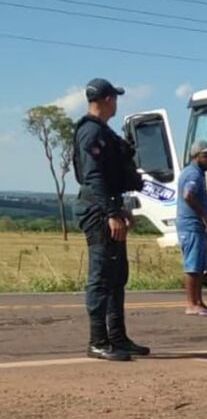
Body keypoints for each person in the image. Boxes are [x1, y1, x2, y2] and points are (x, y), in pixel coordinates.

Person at [73, 78, 148, 361]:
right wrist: (111, 213)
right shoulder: (90, 132)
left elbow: (110, 176)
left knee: (117, 275)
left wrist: (120, 207)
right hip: (97, 211)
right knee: (102, 276)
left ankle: (117, 337)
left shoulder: (102, 131)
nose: (116, 103)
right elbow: (93, 177)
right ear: (107, 100)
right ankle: (97, 341)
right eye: (115, 98)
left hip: (109, 205)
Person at [177, 140, 207, 316]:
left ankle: (198, 302)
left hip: (196, 226)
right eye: (206, 155)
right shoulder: (193, 174)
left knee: (199, 266)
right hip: (191, 225)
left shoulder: (197, 173)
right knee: (192, 266)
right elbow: (188, 195)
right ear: (196, 157)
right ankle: (191, 304)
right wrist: (203, 215)